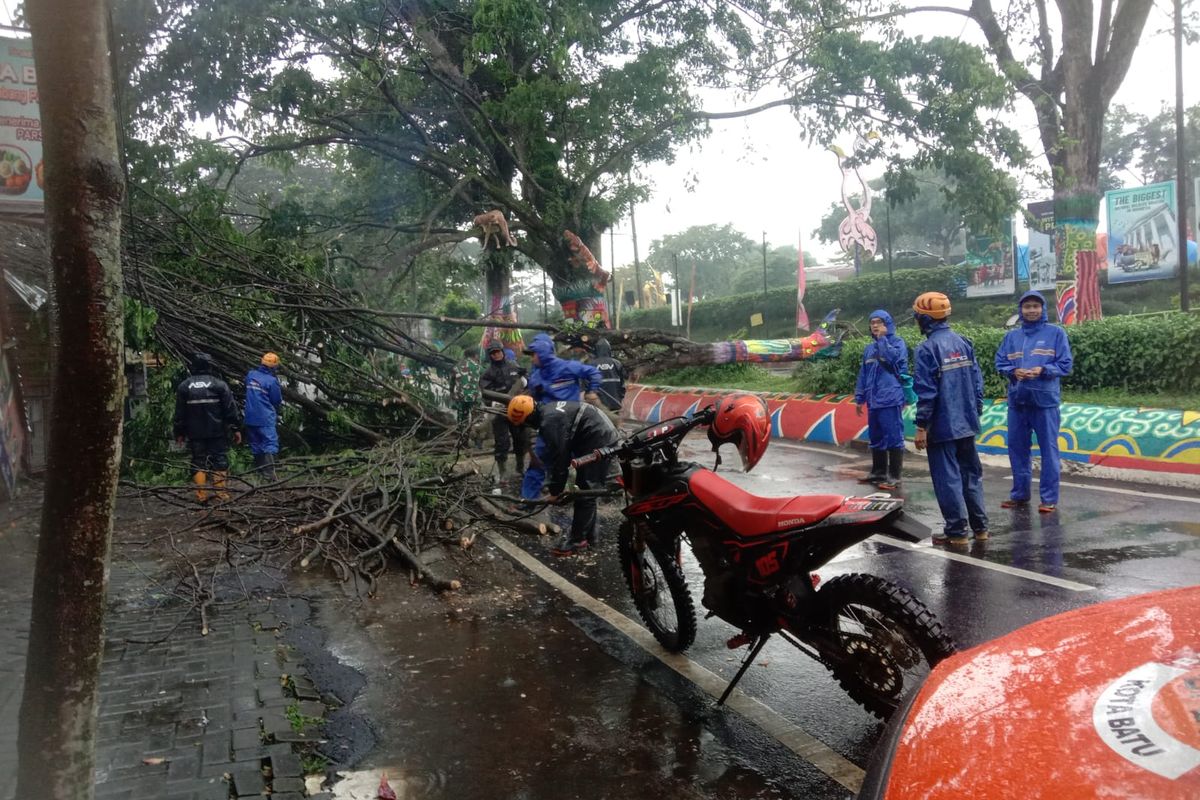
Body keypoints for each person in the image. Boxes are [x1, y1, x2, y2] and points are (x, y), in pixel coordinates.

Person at [911, 293, 988, 545]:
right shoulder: (963, 342)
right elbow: (977, 381)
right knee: (971, 476)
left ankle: (957, 532)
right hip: (967, 421)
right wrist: (975, 410)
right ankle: (981, 528)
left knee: (948, 479)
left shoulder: (926, 349)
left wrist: (922, 426)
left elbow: (927, 392)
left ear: (924, 319)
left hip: (942, 425)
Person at [507, 395, 618, 556]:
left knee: (585, 491)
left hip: (597, 438)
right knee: (586, 489)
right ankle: (590, 536)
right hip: (594, 434)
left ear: (528, 418)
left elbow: (560, 458)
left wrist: (556, 492)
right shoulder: (548, 411)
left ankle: (577, 541)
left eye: (525, 423)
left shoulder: (549, 422)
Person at [994, 290, 1073, 513]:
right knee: (1017, 449)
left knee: (1049, 450)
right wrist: (1013, 371)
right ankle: (1019, 495)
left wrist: (1043, 370)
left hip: (1045, 402)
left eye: (1035, 306)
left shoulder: (1056, 333)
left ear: (1043, 309)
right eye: (1027, 306)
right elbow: (1000, 362)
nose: (1031, 310)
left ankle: (1049, 499)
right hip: (1017, 401)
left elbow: (1065, 365)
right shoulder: (1012, 337)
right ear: (1021, 310)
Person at [520, 333, 603, 502]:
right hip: (549, 426)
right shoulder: (536, 376)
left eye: (534, 354)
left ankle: (578, 495)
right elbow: (534, 399)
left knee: (577, 462)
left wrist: (592, 391)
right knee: (538, 461)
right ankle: (528, 501)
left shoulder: (568, 367)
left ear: (543, 353)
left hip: (572, 425)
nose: (532, 359)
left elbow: (593, 373)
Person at [853, 309, 909, 490]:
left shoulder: (898, 343)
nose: (875, 325)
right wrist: (860, 397)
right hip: (873, 399)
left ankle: (894, 476)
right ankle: (878, 472)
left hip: (890, 397)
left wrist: (883, 340)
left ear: (887, 324)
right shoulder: (869, 349)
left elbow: (894, 361)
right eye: (872, 323)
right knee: (876, 436)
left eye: (879, 322)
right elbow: (863, 374)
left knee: (893, 436)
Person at [174, 352, 241, 502]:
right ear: (210, 366)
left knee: (198, 460)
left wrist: (179, 432)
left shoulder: (184, 386)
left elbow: (180, 413)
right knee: (220, 459)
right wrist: (235, 428)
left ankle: (201, 495)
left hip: (194, 432)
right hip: (217, 431)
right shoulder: (219, 385)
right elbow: (230, 409)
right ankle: (221, 494)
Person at [479, 340, 528, 481]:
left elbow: (526, 384)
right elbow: (485, 392)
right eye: (493, 353)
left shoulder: (514, 366)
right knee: (502, 442)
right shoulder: (488, 373)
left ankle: (520, 468)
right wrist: (494, 401)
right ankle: (503, 472)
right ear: (490, 355)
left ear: (502, 352)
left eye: (498, 352)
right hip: (499, 411)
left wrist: (525, 378)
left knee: (520, 438)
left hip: (517, 409)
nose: (496, 355)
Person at [244, 352, 283, 481]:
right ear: (274, 367)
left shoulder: (251, 375)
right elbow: (276, 400)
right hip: (265, 418)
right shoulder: (272, 381)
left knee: (255, 444)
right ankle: (270, 475)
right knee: (270, 443)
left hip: (250, 417)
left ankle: (259, 473)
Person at [587, 337, 627, 413]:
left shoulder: (591, 364)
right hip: (615, 403)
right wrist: (620, 398)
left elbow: (586, 385)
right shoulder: (617, 363)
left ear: (596, 350)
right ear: (609, 349)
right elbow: (622, 384)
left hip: (598, 405)